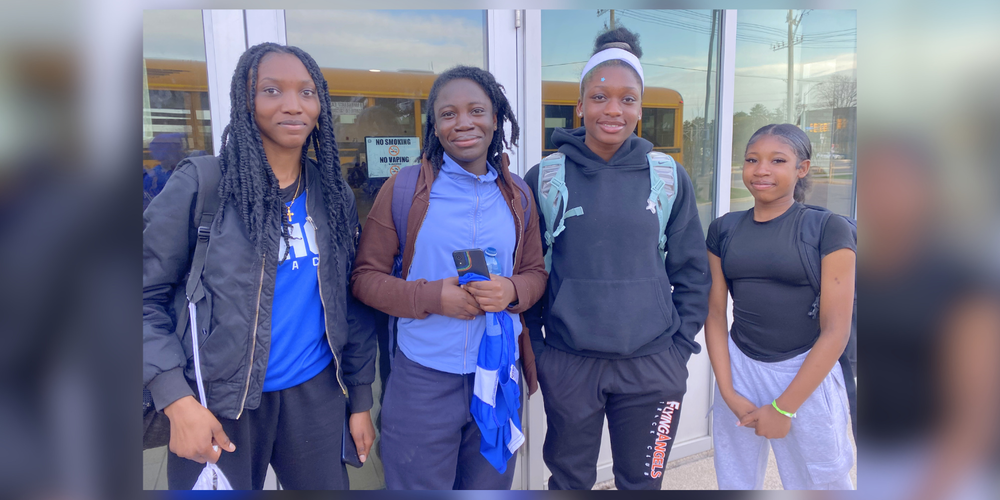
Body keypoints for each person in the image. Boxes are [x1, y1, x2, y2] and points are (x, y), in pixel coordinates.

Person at [143, 42, 377, 490]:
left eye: (307, 92)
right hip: (215, 403)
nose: (293, 105)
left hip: (315, 398)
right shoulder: (202, 186)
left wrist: (360, 398)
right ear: (244, 101)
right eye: (272, 90)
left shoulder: (332, 194)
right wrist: (176, 400)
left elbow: (352, 303)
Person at [523, 27, 711, 490]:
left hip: (653, 366)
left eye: (627, 99)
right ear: (581, 104)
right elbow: (527, 273)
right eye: (600, 96)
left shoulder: (668, 177)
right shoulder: (545, 178)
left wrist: (679, 349)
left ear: (640, 109)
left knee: (642, 484)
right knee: (568, 482)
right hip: (570, 363)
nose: (613, 109)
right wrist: (542, 353)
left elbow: (691, 272)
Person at [350, 65, 547, 490]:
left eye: (476, 110)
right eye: (448, 114)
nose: (463, 123)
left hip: (496, 376)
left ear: (496, 119)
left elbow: (535, 275)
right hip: (423, 380)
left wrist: (511, 290)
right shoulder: (405, 190)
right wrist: (431, 298)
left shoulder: (518, 197)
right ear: (434, 127)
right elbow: (364, 278)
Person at [704, 123, 856, 490]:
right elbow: (713, 314)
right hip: (739, 367)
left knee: (821, 483)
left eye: (777, 160)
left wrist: (785, 407)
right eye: (752, 159)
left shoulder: (828, 229)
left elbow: (836, 330)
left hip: (805, 370)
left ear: (801, 168)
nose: (761, 170)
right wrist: (728, 393)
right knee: (735, 479)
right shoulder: (724, 229)